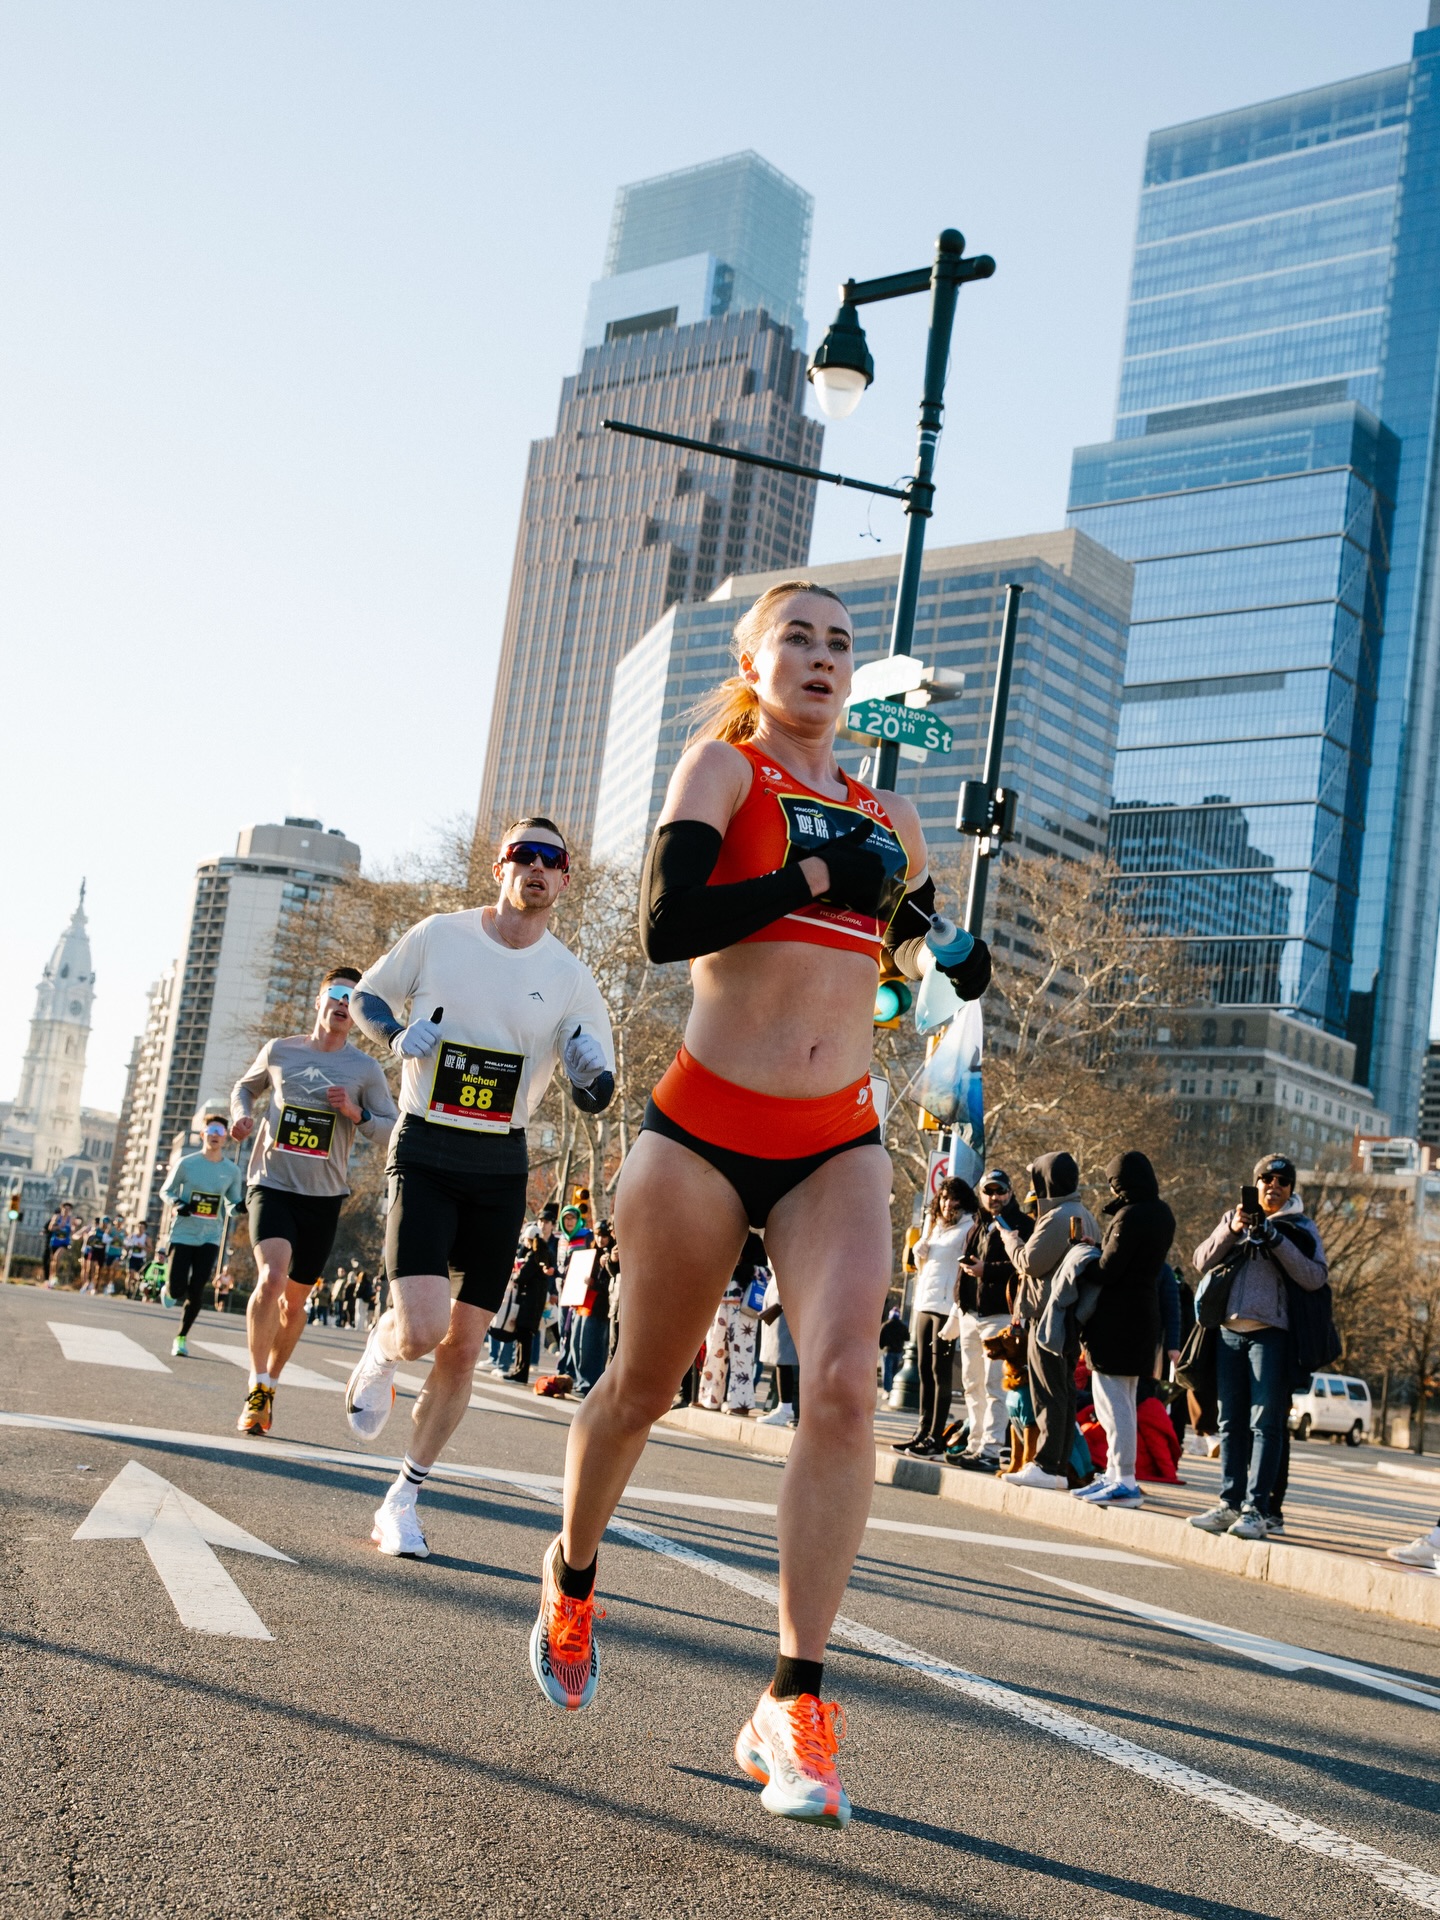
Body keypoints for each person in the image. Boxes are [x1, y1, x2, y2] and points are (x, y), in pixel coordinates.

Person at [527, 580, 990, 1828]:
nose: (824, 657)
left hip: (837, 1138)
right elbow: (669, 924)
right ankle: (573, 1576)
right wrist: (809, 874)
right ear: (753, 655)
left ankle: (793, 1698)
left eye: (843, 643)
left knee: (842, 1387)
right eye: (801, 636)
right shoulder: (723, 772)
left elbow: (896, 951)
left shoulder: (892, 812)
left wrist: (939, 957)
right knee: (642, 1387)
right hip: (701, 1132)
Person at [343, 817, 615, 1559]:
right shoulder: (440, 935)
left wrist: (590, 1069)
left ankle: (404, 1496)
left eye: (550, 859)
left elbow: (599, 1090)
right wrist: (396, 1036)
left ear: (565, 879)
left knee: (464, 1349)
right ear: (500, 865)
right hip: (427, 1144)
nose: (535, 867)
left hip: (501, 1161)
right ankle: (383, 1344)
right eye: (522, 854)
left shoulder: (571, 979)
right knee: (423, 1331)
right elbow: (367, 998)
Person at [230, 967, 397, 1436]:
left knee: (294, 1304)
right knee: (271, 1277)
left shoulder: (364, 1069)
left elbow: (393, 1127)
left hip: (324, 1196)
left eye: (354, 998)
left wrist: (355, 1112)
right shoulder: (280, 1050)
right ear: (320, 1001)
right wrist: (242, 1116)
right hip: (271, 1182)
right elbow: (246, 1087)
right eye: (337, 995)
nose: (344, 1004)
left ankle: (271, 1383)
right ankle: (257, 1383)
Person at [1188, 1154, 1329, 1540]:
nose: (1274, 1185)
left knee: (1265, 1424)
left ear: (1291, 1189)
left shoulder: (1301, 1228)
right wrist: (1232, 1229)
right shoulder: (1233, 1219)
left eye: (1283, 1181)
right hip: (1230, 1332)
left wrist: (1277, 1240)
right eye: (1266, 1178)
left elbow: (1315, 1277)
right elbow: (1201, 1259)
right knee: (1230, 1422)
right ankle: (1228, 1503)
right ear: (1255, 1183)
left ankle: (1257, 1509)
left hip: (1272, 1335)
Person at [1073, 1151, 1175, 1509]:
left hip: (1116, 1321)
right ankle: (1117, 1474)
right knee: (1125, 1403)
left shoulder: (1130, 1216)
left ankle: (1123, 1479)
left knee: (1112, 1405)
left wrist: (1085, 1257)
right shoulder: (1162, 1213)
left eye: (1114, 1180)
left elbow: (1109, 1269)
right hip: (1143, 1318)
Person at [996, 1153, 1099, 1491]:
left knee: (1048, 1394)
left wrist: (1010, 1238)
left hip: (1050, 1318)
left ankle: (1047, 1464)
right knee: (1063, 1394)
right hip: (1069, 1316)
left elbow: (1029, 1263)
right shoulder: (1084, 1214)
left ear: (1046, 1182)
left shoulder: (1058, 1216)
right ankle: (1056, 1464)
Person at [949, 1168, 1027, 1471]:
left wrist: (988, 1270)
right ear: (980, 1195)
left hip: (1000, 1314)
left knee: (995, 1385)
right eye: (989, 1191)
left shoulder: (1020, 1224)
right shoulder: (976, 1224)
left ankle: (991, 1450)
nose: (995, 1197)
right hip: (972, 1312)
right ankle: (974, 1443)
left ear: (1010, 1192)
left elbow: (1023, 1265)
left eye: (1000, 1191)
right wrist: (959, 1304)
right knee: (972, 1383)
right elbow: (964, 1267)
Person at [894, 1178, 976, 1458]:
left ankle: (936, 1438)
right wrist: (920, 1255)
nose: (948, 1204)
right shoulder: (936, 1227)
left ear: (963, 1202)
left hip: (946, 1308)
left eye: (954, 1199)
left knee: (940, 1374)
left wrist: (957, 1309)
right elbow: (925, 1268)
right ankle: (922, 1430)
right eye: (943, 1198)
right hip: (925, 1304)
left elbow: (962, 1270)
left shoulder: (968, 1228)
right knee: (923, 1371)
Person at [158, 1118, 248, 1355]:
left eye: (220, 1131)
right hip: (183, 1233)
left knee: (197, 1289)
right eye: (211, 1130)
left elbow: (231, 1205)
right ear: (203, 1134)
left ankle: (181, 1337)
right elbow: (165, 1191)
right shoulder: (187, 1164)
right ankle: (169, 1290)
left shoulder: (232, 1170)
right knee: (178, 1290)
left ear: (226, 1137)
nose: (215, 1135)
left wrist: (241, 1208)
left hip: (210, 1236)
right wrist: (178, 1203)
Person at [42, 1201, 74, 1283]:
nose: (66, 1211)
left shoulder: (70, 1219)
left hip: (64, 1242)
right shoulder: (56, 1217)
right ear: (62, 1209)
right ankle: (50, 1277)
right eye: (65, 1209)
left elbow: (72, 1231)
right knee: (53, 1260)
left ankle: (55, 1276)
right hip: (55, 1241)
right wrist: (59, 1227)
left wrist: (72, 1230)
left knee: (57, 1257)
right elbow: (50, 1228)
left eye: (68, 1209)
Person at [878, 1309, 907, 1395]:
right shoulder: (902, 1326)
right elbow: (907, 1337)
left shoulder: (885, 1325)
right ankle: (893, 1389)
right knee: (895, 1371)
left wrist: (882, 1346)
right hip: (898, 1351)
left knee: (887, 1371)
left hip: (888, 1351)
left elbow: (880, 1338)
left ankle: (887, 1390)